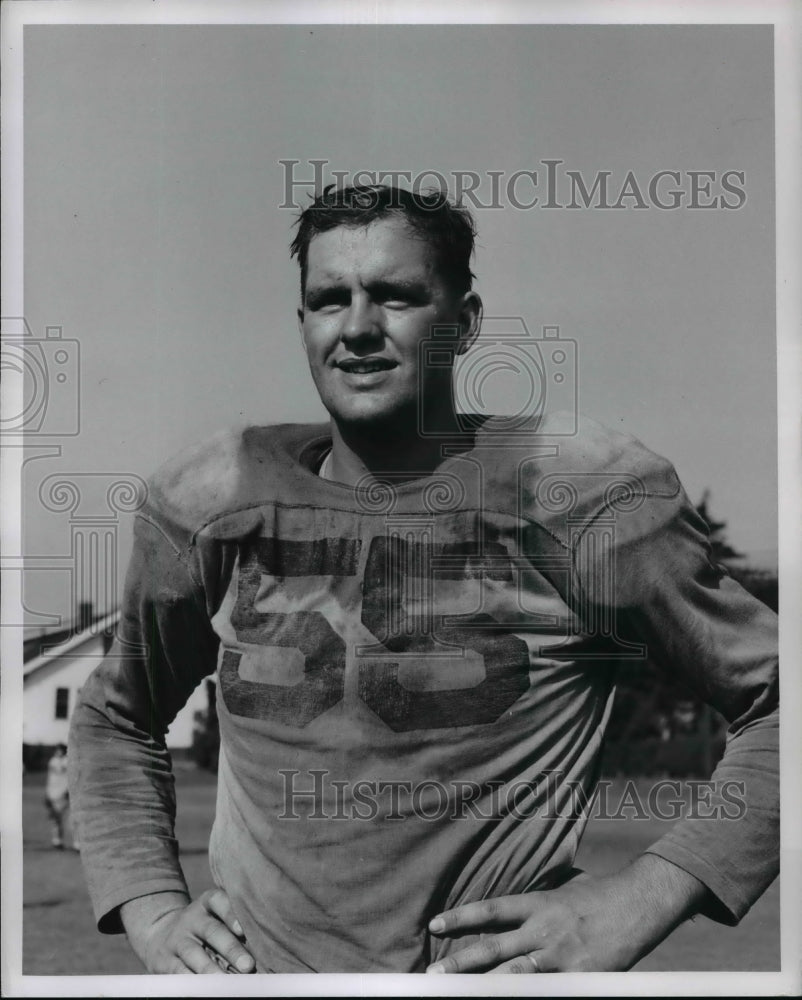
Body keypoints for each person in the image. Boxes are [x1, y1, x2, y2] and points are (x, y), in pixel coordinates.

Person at [68, 185, 779, 975]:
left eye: (397, 296)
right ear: (302, 325)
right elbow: (116, 716)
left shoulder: (577, 490)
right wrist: (153, 909)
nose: (359, 327)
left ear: (465, 323)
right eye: (329, 299)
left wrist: (646, 894)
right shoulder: (215, 498)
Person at [45, 744, 71, 849]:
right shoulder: (52, 761)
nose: (58, 752)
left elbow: (70, 776)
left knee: (70, 818)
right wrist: (47, 792)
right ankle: (57, 840)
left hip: (65, 791)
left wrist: (68, 789)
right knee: (55, 817)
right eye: (57, 750)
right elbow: (50, 778)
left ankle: (77, 843)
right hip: (53, 792)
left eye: (60, 750)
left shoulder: (67, 760)